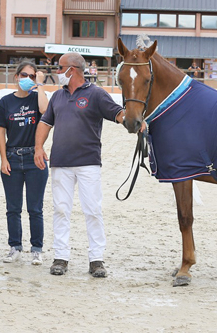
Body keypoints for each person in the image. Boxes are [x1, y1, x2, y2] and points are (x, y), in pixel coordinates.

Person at [34, 52, 125, 278]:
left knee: (92, 210)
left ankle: (96, 259)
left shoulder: (96, 94)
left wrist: (136, 121)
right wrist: (38, 147)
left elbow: (118, 114)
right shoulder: (57, 97)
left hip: (88, 163)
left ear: (71, 70)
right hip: (60, 162)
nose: (57, 72)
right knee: (61, 209)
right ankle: (61, 257)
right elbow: (45, 123)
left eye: (59, 68)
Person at [0, 61, 49, 265]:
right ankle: (14, 247)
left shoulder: (37, 98)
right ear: (16, 76)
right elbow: (0, 132)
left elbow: (45, 110)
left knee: (35, 208)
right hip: (13, 158)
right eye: (24, 75)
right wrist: (3, 159)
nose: (28, 79)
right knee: (13, 207)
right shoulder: (5, 102)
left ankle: (37, 249)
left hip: (35, 158)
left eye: (32, 76)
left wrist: (40, 85)